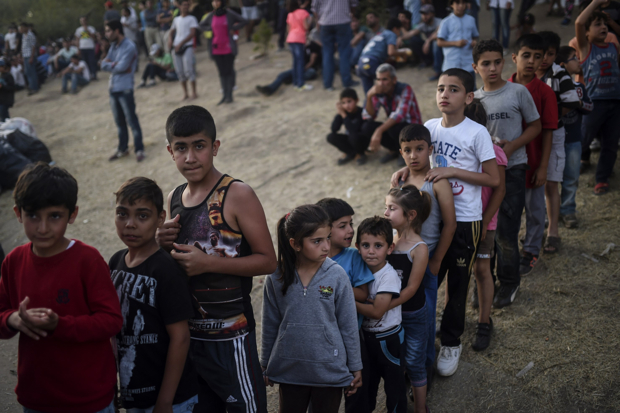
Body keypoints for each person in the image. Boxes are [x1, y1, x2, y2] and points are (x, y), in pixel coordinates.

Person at [156, 105, 277, 413]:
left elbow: (267, 261)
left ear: (215, 147)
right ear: (170, 151)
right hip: (189, 337)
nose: (190, 157)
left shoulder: (237, 194)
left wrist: (209, 263)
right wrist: (162, 246)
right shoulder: (174, 197)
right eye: (181, 148)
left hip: (231, 334)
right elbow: (179, 266)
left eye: (199, 146)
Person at [393, 68, 500, 375]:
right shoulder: (429, 127)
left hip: (466, 219)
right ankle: (423, 337)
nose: (444, 94)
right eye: (441, 88)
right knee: (427, 280)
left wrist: (452, 171)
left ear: (468, 97)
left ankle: (452, 341)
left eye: (453, 90)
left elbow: (492, 178)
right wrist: (404, 172)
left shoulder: (475, 132)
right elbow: (418, 160)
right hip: (434, 219)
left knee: (457, 282)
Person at [0, 163, 123, 413]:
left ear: (72, 214)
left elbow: (111, 321)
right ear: (18, 213)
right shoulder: (13, 261)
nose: (43, 227)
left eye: (54, 216)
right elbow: (1, 313)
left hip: (89, 398)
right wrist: (12, 319)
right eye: (33, 215)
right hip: (36, 397)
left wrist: (59, 325)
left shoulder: (87, 260)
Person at [261, 205, 362, 413]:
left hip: (329, 370)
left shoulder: (337, 275)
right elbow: (270, 323)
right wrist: (265, 363)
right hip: (290, 370)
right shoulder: (276, 277)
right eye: (317, 241)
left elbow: (348, 324)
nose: (326, 247)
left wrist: (355, 365)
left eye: (327, 238)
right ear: (295, 244)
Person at [110, 177, 199, 413]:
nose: (130, 224)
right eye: (122, 214)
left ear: (160, 218)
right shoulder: (115, 263)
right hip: (133, 393)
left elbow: (180, 337)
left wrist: (165, 401)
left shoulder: (166, 269)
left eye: (142, 216)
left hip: (172, 399)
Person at [470, 38, 542, 303]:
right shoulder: (472, 99)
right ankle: (483, 283)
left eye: (497, 62)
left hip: (512, 170)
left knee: (506, 232)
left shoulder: (517, 92)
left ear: (504, 61)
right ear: (475, 66)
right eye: (485, 63)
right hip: (482, 177)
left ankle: (509, 283)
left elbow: (535, 126)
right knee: (483, 233)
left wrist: (511, 148)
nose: (492, 68)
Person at [394, 124, 456, 381]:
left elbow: (450, 224)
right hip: (401, 259)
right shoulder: (398, 180)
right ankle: (407, 362)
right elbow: (393, 217)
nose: (413, 155)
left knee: (427, 316)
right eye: (407, 150)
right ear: (401, 152)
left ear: (430, 150)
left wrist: (437, 260)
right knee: (404, 312)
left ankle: (425, 368)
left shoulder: (437, 181)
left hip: (427, 258)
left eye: (419, 149)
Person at [315, 197, 374, 413]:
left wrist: (331, 289)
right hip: (322, 339)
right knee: (323, 396)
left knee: (357, 393)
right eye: (343, 226)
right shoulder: (314, 258)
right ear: (324, 229)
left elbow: (362, 293)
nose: (351, 230)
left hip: (352, 337)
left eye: (351, 223)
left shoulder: (353, 257)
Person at [504, 35, 557, 276]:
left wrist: (543, 166)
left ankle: (531, 251)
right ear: (514, 58)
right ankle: (509, 252)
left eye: (538, 56)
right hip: (508, 166)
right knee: (510, 213)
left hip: (534, 162)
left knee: (536, 211)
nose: (532, 61)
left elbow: (547, 131)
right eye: (526, 55)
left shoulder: (545, 92)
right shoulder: (503, 89)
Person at [463, 100, 506, 351]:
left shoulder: (494, 152)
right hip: (458, 222)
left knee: (481, 270)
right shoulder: (458, 151)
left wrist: (483, 223)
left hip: (484, 224)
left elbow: (499, 191)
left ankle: (483, 322)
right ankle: (453, 319)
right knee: (457, 272)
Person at [383, 185, 431, 412]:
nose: (385, 213)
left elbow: (412, 288)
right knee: (397, 362)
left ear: (410, 215)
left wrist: (385, 306)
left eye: (392, 208)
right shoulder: (389, 241)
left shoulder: (419, 248)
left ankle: (421, 408)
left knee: (414, 362)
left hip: (411, 315)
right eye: (386, 207)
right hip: (392, 315)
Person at [354, 216, 407, 413]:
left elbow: (377, 312)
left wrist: (350, 302)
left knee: (394, 388)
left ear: (389, 248)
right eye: (366, 245)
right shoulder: (359, 270)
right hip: (366, 339)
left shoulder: (388, 276)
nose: (371, 251)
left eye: (378, 246)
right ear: (358, 246)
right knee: (368, 386)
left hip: (389, 339)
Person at [536, 31, 581, 254]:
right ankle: (538, 226)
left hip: (554, 135)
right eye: (539, 54)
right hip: (532, 137)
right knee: (536, 184)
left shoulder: (559, 74)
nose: (543, 58)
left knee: (551, 183)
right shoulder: (528, 75)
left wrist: (551, 117)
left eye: (550, 54)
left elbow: (573, 101)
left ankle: (553, 232)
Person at [576, 0, 620, 195]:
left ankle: (601, 178)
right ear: (586, 33)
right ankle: (572, 164)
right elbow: (578, 23)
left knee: (611, 144)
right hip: (594, 103)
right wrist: (595, 3)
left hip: (615, 102)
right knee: (584, 138)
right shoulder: (586, 48)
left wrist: (612, 23)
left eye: (605, 24)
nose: (603, 27)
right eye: (597, 24)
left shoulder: (613, 47)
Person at [556, 46, 593, 228]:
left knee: (571, 177)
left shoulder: (579, 87)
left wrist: (578, 103)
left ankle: (568, 210)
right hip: (554, 141)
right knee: (552, 180)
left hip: (573, 140)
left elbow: (589, 108)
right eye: (574, 58)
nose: (578, 61)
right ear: (563, 65)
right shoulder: (552, 87)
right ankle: (551, 212)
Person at [101, 20, 145, 163]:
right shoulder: (113, 46)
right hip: (113, 88)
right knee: (119, 122)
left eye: (108, 31)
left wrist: (111, 65)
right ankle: (123, 148)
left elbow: (123, 67)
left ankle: (139, 149)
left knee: (132, 120)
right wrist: (113, 65)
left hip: (125, 88)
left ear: (117, 31)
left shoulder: (129, 46)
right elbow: (104, 63)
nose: (106, 34)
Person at [363, 63, 423, 164]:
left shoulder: (405, 89)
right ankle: (395, 150)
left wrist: (379, 130)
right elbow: (369, 116)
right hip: (396, 127)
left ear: (394, 79)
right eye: (378, 79)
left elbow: (399, 115)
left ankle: (405, 152)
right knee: (367, 127)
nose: (381, 83)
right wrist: (369, 97)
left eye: (384, 79)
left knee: (393, 127)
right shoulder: (379, 92)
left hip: (412, 129)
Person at [200, 0, 247, 104]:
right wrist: (210, 29)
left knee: (229, 71)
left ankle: (230, 96)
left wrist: (233, 28)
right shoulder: (211, 15)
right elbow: (201, 25)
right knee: (221, 73)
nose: (216, 3)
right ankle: (224, 95)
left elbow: (244, 20)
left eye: (218, 1)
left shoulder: (229, 13)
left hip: (228, 47)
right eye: (214, 1)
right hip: (216, 48)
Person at [312, 0, 359, 90]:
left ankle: (328, 84)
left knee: (327, 53)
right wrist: (351, 15)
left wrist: (318, 21)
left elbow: (314, 8)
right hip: (343, 22)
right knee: (344, 53)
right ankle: (346, 81)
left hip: (325, 22)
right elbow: (353, 3)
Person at [255, 33, 321, 96]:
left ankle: (292, 79)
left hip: (310, 69)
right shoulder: (299, 46)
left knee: (311, 72)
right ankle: (270, 89)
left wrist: (301, 69)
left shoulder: (312, 46)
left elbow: (312, 62)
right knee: (282, 75)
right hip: (300, 69)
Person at [357, 18, 410, 94]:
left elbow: (385, 56)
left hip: (361, 64)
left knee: (370, 94)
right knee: (387, 86)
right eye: (399, 31)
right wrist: (403, 53)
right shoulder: (391, 34)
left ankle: (368, 105)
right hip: (371, 62)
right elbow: (391, 52)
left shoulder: (380, 35)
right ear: (395, 29)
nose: (399, 33)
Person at [436, 0, 479, 85]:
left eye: (463, 3)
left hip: (468, 62)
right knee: (453, 91)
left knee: (471, 90)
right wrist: (455, 43)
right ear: (452, 4)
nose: (461, 5)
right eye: (458, 3)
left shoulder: (471, 20)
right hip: (451, 63)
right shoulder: (446, 21)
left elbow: (475, 35)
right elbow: (439, 42)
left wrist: (474, 42)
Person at [399, 4, 443, 81]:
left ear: (432, 14)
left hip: (442, 48)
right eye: (422, 14)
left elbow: (438, 34)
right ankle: (427, 61)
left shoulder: (439, 21)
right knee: (414, 40)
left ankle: (438, 71)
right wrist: (400, 38)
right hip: (430, 48)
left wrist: (428, 41)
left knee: (436, 43)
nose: (424, 16)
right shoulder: (423, 25)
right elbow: (411, 33)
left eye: (426, 14)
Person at [326, 88, 366, 165]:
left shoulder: (361, 112)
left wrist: (344, 115)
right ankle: (351, 153)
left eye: (349, 101)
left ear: (357, 100)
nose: (347, 105)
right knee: (330, 137)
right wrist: (339, 114)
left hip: (361, 141)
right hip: (351, 139)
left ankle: (361, 154)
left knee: (353, 136)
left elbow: (353, 130)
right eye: (343, 103)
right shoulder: (343, 113)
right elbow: (334, 129)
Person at [286, 0, 313, 91]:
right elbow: (305, 27)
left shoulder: (290, 14)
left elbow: (289, 29)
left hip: (291, 38)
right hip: (299, 38)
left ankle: (295, 82)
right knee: (300, 62)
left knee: (295, 62)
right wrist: (310, 21)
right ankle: (301, 83)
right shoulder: (303, 12)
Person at [75, 16, 99, 81]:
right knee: (85, 62)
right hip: (82, 48)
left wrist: (87, 30)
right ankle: (87, 76)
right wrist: (78, 49)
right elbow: (77, 40)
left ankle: (94, 74)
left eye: (84, 20)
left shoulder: (91, 28)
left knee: (92, 61)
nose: (83, 22)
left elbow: (94, 37)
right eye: (81, 21)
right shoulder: (78, 30)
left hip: (90, 47)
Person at [19, 22, 38, 95]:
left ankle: (34, 88)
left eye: (22, 28)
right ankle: (31, 86)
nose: (21, 29)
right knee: (27, 72)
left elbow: (33, 46)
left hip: (30, 55)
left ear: (26, 27)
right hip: (25, 55)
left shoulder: (31, 35)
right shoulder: (24, 35)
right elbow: (23, 46)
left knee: (32, 72)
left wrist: (32, 57)